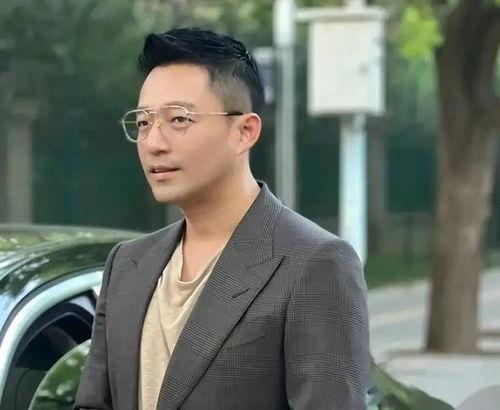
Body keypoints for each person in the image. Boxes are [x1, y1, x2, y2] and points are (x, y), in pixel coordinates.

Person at [74, 27, 370, 410]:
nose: (154, 143)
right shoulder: (128, 263)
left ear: (244, 131)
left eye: (178, 119)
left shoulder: (316, 263)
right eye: (144, 123)